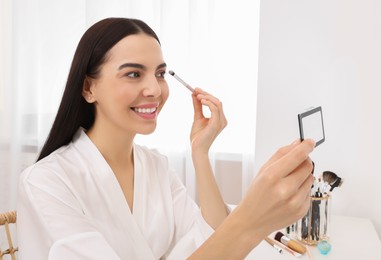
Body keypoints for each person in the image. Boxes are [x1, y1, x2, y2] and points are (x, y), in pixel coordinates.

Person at [17, 17, 315, 259]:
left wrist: (200, 153)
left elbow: (212, 238)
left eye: (159, 74)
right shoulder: (45, 182)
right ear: (88, 89)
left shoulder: (155, 166)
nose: (155, 90)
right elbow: (227, 243)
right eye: (133, 74)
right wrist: (250, 221)